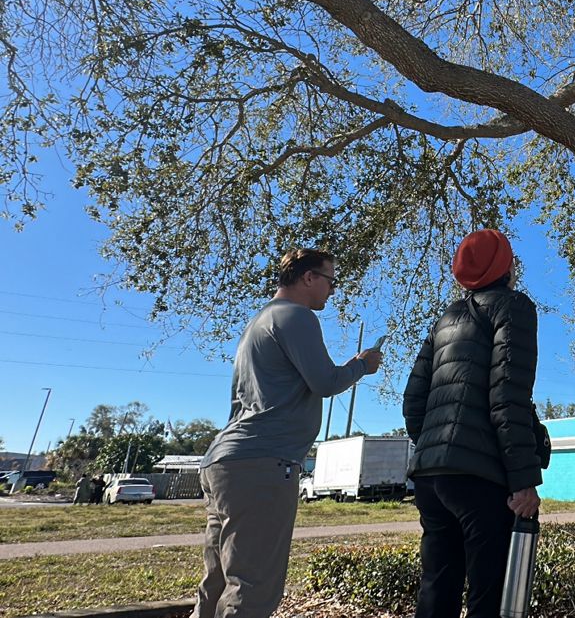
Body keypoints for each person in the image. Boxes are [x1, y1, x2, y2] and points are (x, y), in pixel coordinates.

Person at [193, 248, 382, 618]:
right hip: (263, 463)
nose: (332, 290)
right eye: (331, 280)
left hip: (225, 461)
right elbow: (325, 381)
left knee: (216, 582)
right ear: (309, 277)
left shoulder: (259, 322)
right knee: (253, 585)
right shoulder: (297, 317)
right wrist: (361, 365)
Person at [403, 229, 543, 618]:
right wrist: (523, 480)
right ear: (506, 267)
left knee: (437, 585)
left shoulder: (445, 320)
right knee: (490, 594)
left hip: (431, 476)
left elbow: (413, 400)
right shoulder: (513, 308)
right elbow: (507, 396)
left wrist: (435, 448)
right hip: (481, 481)